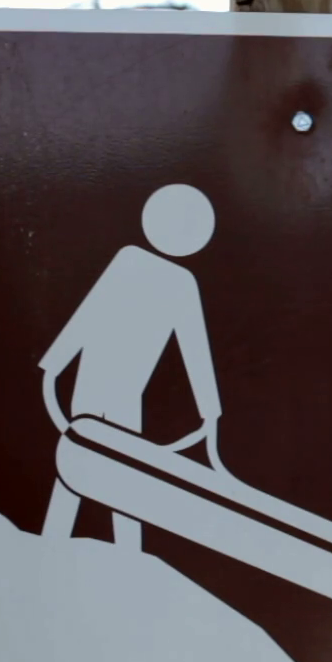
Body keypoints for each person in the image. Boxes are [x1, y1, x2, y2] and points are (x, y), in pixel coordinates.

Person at [38, 184, 223, 549]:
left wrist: (210, 410)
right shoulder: (135, 264)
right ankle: (63, 543)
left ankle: (117, 549)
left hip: (120, 389)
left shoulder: (173, 280)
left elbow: (193, 348)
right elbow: (88, 315)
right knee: (93, 465)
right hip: (97, 383)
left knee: (118, 472)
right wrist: (55, 363)